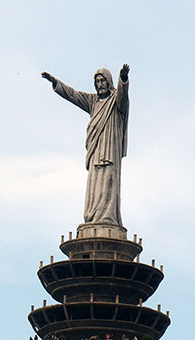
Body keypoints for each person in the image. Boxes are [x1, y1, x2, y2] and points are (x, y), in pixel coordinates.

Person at [41, 64, 130, 226]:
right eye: (97, 81)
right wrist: (56, 83)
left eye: (103, 80)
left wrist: (123, 80)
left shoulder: (116, 101)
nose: (100, 84)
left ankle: (108, 218)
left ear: (109, 82)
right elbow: (73, 95)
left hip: (110, 151)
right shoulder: (92, 101)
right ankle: (93, 217)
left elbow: (123, 99)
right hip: (96, 150)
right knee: (95, 184)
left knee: (109, 181)